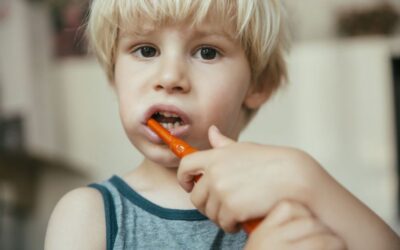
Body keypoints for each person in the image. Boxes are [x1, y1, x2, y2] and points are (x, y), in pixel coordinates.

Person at [45, 0, 400, 249]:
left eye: (207, 52)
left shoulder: (289, 205)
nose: (170, 77)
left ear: (258, 86)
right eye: (146, 50)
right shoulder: (89, 217)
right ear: (113, 76)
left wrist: (304, 177)